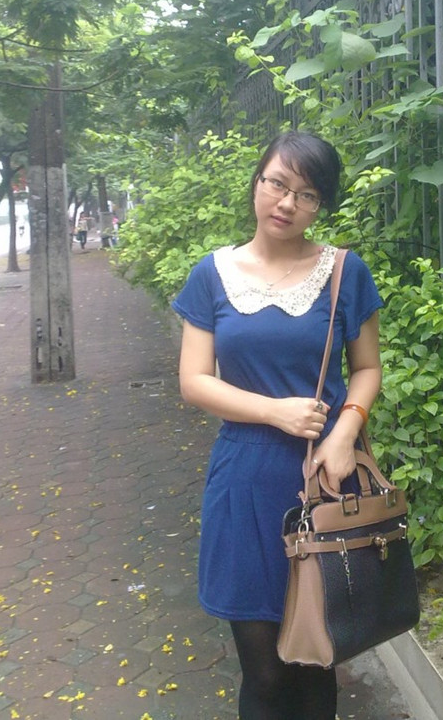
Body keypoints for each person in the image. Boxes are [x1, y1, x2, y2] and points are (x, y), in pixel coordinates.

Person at [172, 131, 383, 720]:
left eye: (307, 194)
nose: (287, 203)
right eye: (277, 184)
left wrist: (344, 432)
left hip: (322, 480)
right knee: (263, 670)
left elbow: (367, 369)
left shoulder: (343, 272)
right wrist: (274, 410)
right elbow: (194, 381)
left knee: (316, 660)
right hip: (243, 479)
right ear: (257, 183)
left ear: (321, 205)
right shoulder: (212, 275)